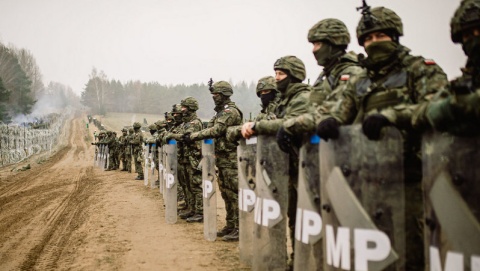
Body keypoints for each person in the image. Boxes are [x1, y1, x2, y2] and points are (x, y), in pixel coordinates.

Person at [316, 5, 449, 270]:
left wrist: (391, 116)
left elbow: (434, 108)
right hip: (367, 177)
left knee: (410, 250)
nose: (373, 42)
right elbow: (337, 109)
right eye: (368, 39)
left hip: (411, 178)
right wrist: (327, 122)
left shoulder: (420, 70)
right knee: (371, 250)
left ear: (395, 36)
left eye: (380, 36)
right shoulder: (360, 80)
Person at [241, 56, 312, 265]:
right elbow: (269, 120)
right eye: (276, 74)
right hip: (286, 166)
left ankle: (303, 262)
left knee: (304, 219)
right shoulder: (285, 99)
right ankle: (293, 260)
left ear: (294, 75)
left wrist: (257, 127)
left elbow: (288, 123)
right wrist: (250, 126)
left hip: (305, 167)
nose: (277, 78)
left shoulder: (304, 97)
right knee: (292, 216)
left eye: (280, 74)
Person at [276, 18, 363, 149]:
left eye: (317, 44)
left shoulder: (350, 72)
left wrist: (290, 126)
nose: (314, 50)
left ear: (332, 43)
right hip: (325, 151)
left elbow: (335, 112)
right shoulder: (326, 76)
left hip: (347, 149)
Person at [185, 81, 243, 241]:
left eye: (216, 94)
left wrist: (193, 136)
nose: (214, 97)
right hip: (222, 158)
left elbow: (217, 130)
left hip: (230, 159)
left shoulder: (230, 112)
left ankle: (239, 227)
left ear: (224, 94)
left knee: (234, 194)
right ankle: (230, 225)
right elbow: (210, 127)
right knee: (225, 193)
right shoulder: (219, 113)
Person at [422, 0, 480, 134]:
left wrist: (468, 103)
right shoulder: (463, 83)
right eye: (468, 35)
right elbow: (421, 111)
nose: (475, 38)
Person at [167, 97, 204, 222]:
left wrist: (172, 136)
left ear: (191, 108)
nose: (182, 110)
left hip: (193, 158)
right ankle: (192, 208)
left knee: (195, 186)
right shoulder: (186, 123)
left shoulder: (195, 123)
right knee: (188, 185)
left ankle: (200, 211)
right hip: (185, 158)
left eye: (184, 108)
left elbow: (185, 137)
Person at [226, 76, 279, 143]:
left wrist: (248, 128)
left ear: (275, 92)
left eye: (266, 91)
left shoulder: (280, 109)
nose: (263, 95)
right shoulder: (264, 113)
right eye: (261, 93)